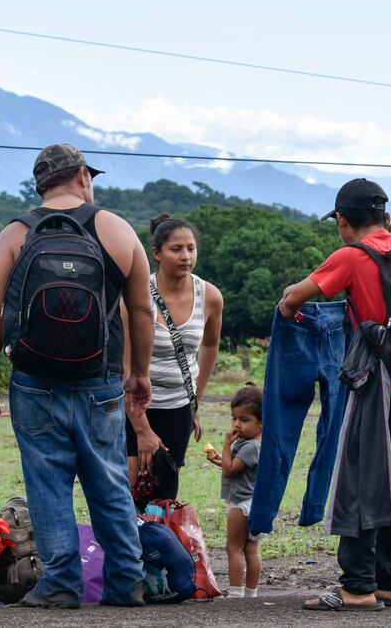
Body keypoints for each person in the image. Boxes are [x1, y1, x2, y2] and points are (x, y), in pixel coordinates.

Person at [0, 143, 154, 608]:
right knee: (109, 480)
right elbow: (141, 310)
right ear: (81, 176)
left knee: (47, 481)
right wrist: (139, 374)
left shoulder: (15, 234)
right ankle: (126, 583)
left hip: (34, 381)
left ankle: (60, 585)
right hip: (102, 379)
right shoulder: (115, 228)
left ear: (40, 184)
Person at [278, 178, 391, 612]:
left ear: (343, 222)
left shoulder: (350, 255)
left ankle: (357, 586)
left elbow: (295, 296)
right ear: (386, 218)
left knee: (363, 482)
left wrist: (288, 309)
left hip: (380, 385)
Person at [125, 214, 224, 496]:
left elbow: (209, 346)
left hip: (178, 408)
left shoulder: (210, 296)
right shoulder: (136, 295)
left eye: (191, 249)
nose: (186, 256)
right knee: (133, 493)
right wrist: (142, 430)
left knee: (164, 497)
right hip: (137, 410)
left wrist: (196, 401)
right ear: (156, 253)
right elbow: (122, 369)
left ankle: (159, 541)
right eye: (176, 249)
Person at [207, 384, 263, 599]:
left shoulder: (249, 446)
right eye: (234, 418)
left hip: (241, 504)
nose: (237, 424)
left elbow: (231, 471)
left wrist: (225, 446)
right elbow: (235, 467)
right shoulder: (256, 444)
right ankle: (251, 592)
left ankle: (236, 592)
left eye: (245, 420)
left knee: (233, 548)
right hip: (254, 502)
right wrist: (220, 461)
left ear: (261, 422)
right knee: (251, 549)